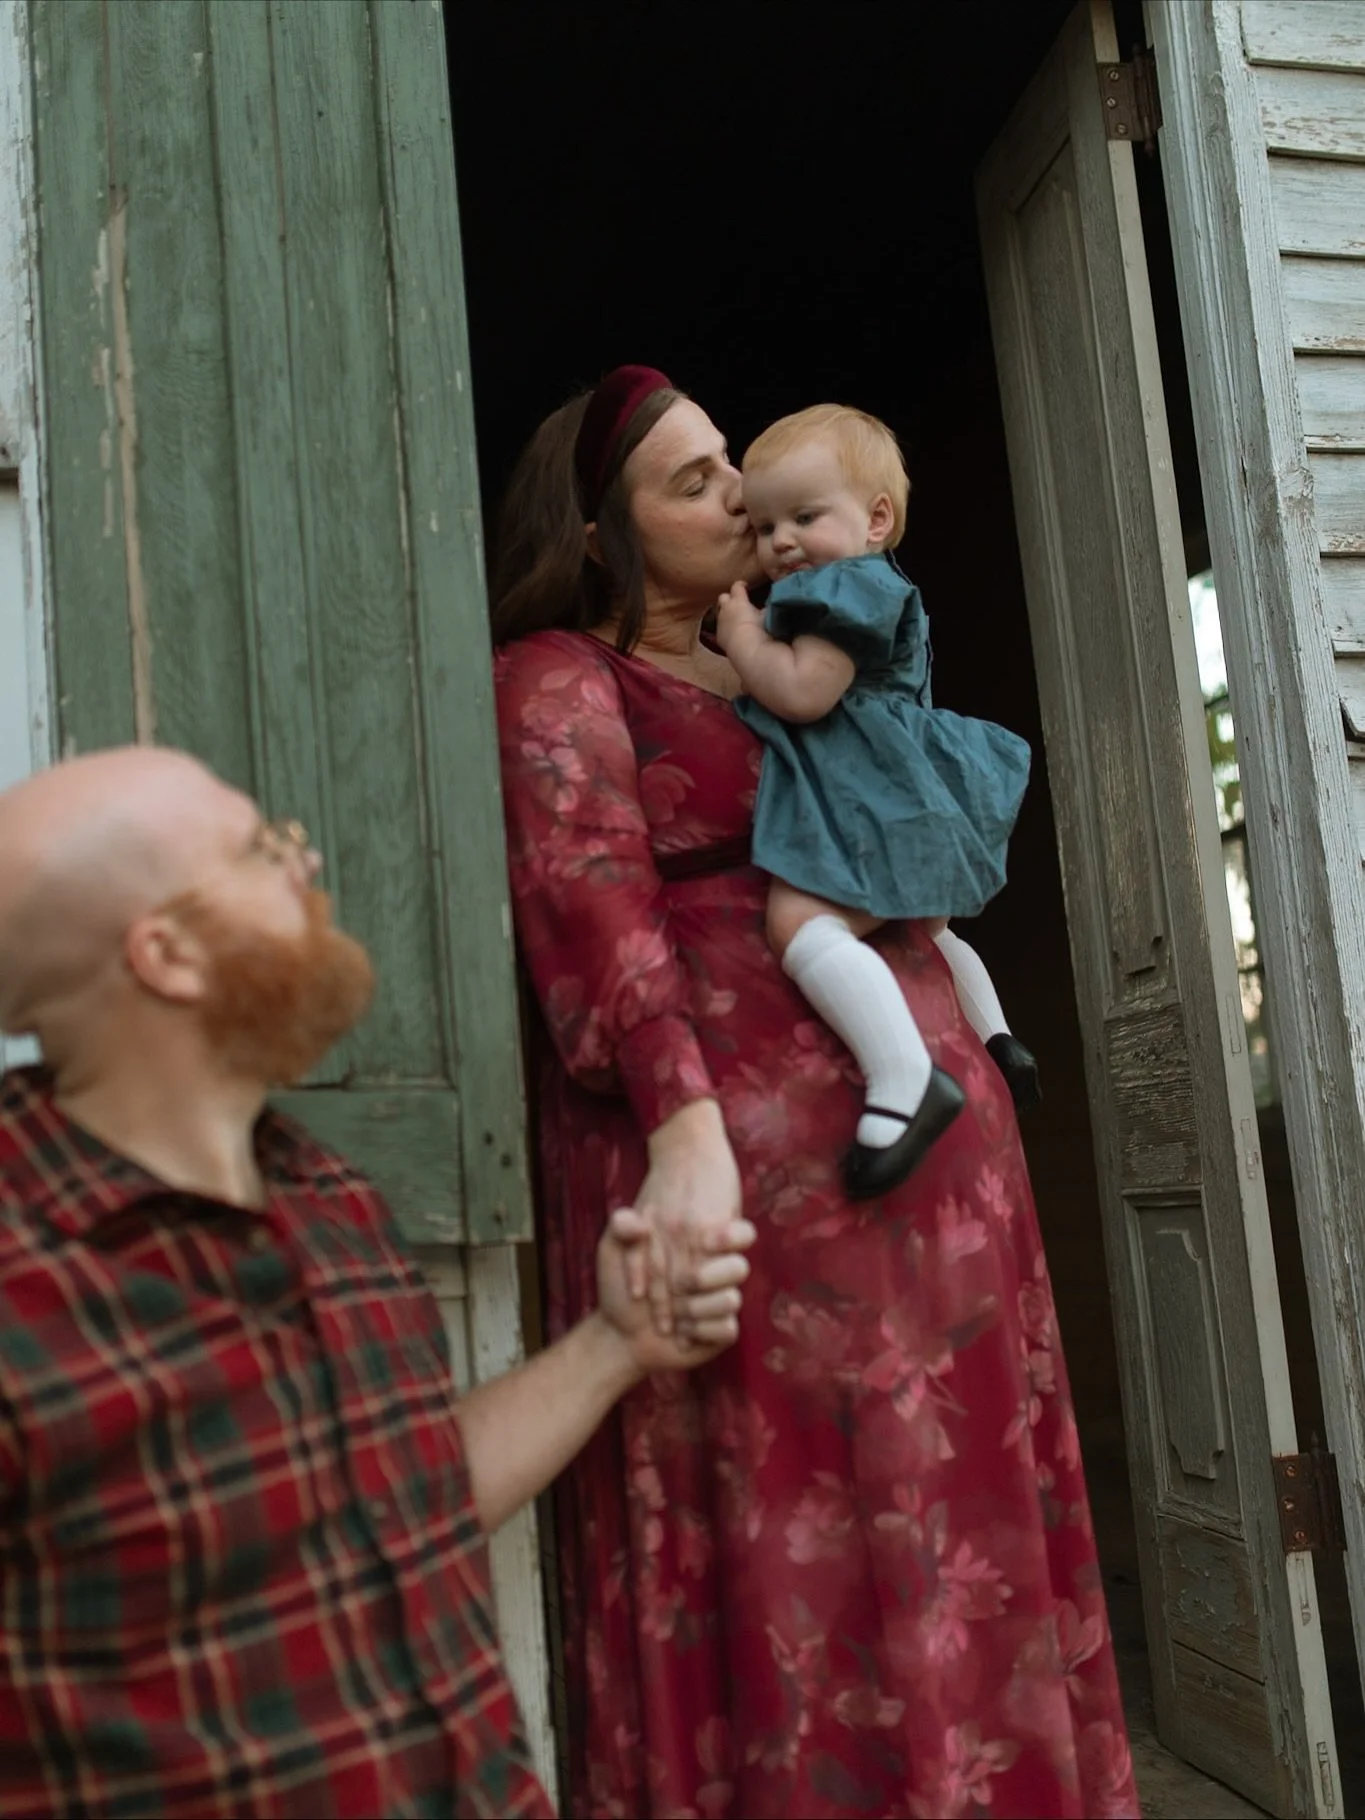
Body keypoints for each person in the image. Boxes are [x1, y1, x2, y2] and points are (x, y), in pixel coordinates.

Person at [491, 364, 1138, 1819]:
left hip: (937, 1173)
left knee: (950, 1510)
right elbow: (589, 909)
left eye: (732, 463)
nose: (735, 496)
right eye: (692, 480)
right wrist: (683, 1127)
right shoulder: (563, 676)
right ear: (602, 534)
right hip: (757, 1185)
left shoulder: (804, 647)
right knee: (812, 1530)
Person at [0, 745, 755, 1819]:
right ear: (167, 953)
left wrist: (611, 1345)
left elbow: (405, 1496)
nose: (307, 867)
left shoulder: (328, 1195)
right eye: (263, 851)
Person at [713, 402, 1038, 1202]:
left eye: (804, 516)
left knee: (800, 920)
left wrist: (743, 637)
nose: (780, 541)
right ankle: (997, 1038)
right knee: (928, 925)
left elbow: (802, 692)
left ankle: (903, 1076)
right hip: (901, 784)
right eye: (761, 527)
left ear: (875, 519)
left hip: (875, 793)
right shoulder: (873, 581)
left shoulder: (845, 589)